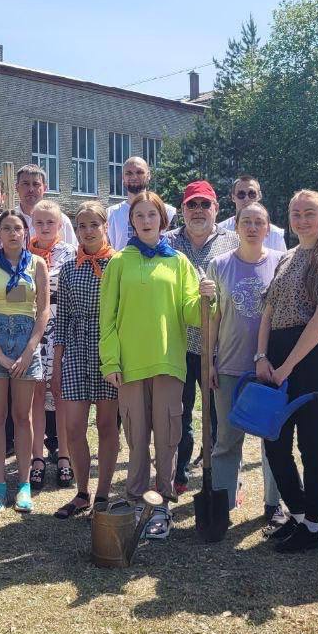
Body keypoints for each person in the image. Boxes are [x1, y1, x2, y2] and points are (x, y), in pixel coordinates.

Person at [100, 191, 213, 540]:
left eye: (152, 215)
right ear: (131, 222)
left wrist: (209, 297)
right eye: (139, 216)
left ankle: (162, 502)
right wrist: (111, 360)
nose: (146, 221)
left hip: (168, 362)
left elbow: (192, 313)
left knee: (167, 435)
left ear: (162, 220)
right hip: (130, 364)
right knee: (136, 435)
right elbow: (109, 318)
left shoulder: (178, 262)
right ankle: (136, 500)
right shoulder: (119, 262)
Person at [255, 189, 318, 553]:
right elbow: (268, 311)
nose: (302, 219)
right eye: (296, 213)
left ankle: (312, 526)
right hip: (276, 353)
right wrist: (261, 357)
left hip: (311, 359)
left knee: (310, 445)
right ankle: (295, 513)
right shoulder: (287, 257)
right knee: (274, 443)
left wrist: (288, 365)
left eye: (310, 213)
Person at [206, 203, 284, 515]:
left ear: (268, 228)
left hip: (268, 368)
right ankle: (222, 504)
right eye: (246, 222)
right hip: (228, 364)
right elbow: (213, 317)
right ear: (236, 227)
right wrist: (209, 360)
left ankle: (273, 504)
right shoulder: (220, 264)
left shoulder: (281, 263)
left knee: (272, 440)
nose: (252, 228)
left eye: (259, 222)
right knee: (226, 440)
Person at [164, 180, 238, 495]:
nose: (198, 211)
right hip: (177, 344)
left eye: (204, 205)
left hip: (217, 346)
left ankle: (221, 480)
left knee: (219, 418)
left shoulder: (232, 241)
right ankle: (178, 474)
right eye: (192, 205)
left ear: (216, 209)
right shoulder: (167, 242)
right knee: (178, 414)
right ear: (182, 209)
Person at [0, 209, 50, 512]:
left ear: (26, 232)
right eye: (6, 228)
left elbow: (43, 310)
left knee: (22, 416)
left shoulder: (38, 264)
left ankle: (23, 484)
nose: (13, 233)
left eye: (18, 228)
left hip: (25, 340)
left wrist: (30, 349)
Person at [53, 201, 120, 518]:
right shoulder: (68, 268)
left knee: (107, 425)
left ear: (105, 226)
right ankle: (82, 492)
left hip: (109, 350)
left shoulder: (120, 266)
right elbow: (62, 320)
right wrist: (56, 364)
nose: (88, 231)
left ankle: (104, 494)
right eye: (81, 225)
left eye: (94, 224)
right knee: (74, 427)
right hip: (78, 349)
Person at [26, 199, 77, 491]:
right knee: (35, 393)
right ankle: (36, 457)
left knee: (59, 393)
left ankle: (65, 456)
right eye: (40, 222)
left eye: (51, 222)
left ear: (60, 225)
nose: (45, 227)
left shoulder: (70, 253)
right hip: (34, 329)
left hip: (60, 328)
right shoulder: (24, 253)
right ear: (33, 224)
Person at [107, 156, 176, 250]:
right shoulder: (110, 214)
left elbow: (173, 249)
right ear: (123, 177)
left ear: (148, 175)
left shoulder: (168, 212)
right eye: (129, 173)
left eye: (139, 172)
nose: (134, 177)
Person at [12, 164, 77, 246]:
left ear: (44, 188)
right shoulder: (8, 219)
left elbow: (73, 253)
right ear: (17, 187)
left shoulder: (61, 220)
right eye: (26, 184)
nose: (31, 189)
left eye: (36, 184)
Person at [218, 175, 287, 252]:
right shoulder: (221, 230)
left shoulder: (275, 235)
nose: (246, 198)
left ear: (259, 196)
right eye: (241, 194)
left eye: (252, 194)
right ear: (233, 197)